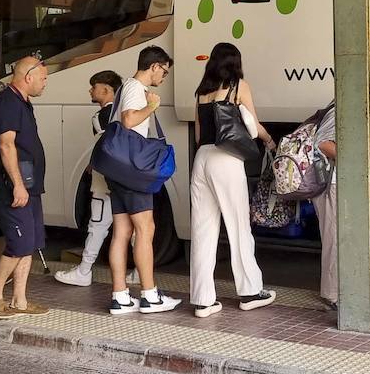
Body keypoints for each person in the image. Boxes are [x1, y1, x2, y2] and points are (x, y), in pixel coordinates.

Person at [189, 42, 277, 317]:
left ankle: (203, 300)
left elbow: (198, 133)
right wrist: (269, 140)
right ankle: (250, 291)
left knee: (203, 230)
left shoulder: (202, 91)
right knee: (238, 225)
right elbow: (253, 124)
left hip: (202, 158)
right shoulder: (239, 86)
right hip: (226, 159)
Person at [105, 49, 183, 314]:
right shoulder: (136, 89)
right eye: (165, 71)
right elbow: (128, 121)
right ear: (154, 67)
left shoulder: (125, 86)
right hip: (133, 171)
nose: (164, 76)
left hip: (118, 171)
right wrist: (152, 106)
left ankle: (121, 296)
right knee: (145, 229)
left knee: (122, 232)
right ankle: (150, 295)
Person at [54, 70, 140, 288]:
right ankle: (140, 271)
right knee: (134, 225)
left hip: (105, 180)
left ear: (106, 89)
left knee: (98, 225)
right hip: (130, 177)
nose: (91, 90)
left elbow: (106, 145)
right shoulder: (129, 111)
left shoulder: (103, 115)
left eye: (94, 87)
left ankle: (84, 270)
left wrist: (94, 165)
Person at [0, 56, 51, 320]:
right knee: (19, 243)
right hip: (12, 188)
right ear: (28, 77)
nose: (45, 83)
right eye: (43, 78)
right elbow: (6, 145)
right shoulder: (7, 102)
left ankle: (19, 301)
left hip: (29, 187)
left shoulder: (22, 102)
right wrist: (18, 186)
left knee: (30, 243)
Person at [308, 102, 337, 310]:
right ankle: (332, 294)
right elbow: (321, 143)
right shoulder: (339, 110)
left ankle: (336, 290)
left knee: (336, 238)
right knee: (333, 238)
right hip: (330, 184)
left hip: (334, 184)